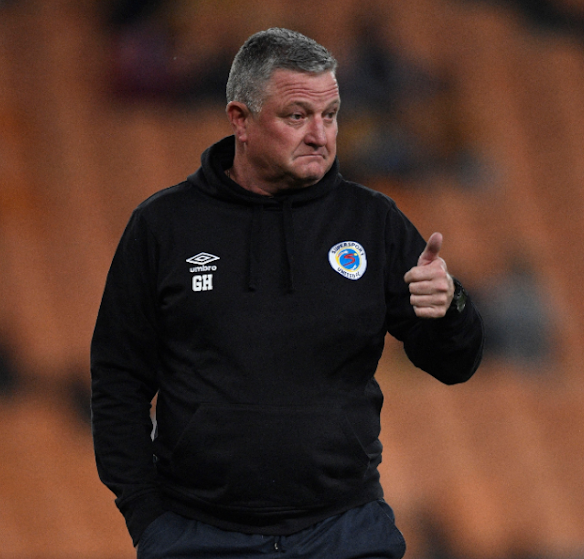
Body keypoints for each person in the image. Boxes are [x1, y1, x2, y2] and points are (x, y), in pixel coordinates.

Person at [91, 27, 484, 559]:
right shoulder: (164, 227)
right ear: (240, 120)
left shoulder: (373, 222)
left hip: (346, 533)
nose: (320, 134)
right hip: (200, 535)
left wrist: (449, 305)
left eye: (331, 115)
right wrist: (147, 517)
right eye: (297, 116)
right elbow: (118, 381)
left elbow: (454, 363)